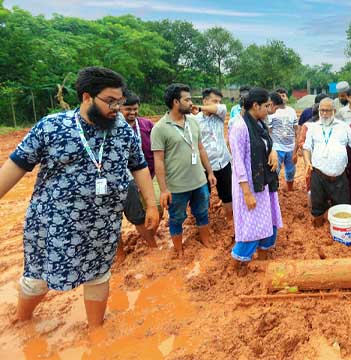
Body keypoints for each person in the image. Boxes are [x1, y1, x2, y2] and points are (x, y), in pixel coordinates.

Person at [0, 67, 159, 327]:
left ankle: (95, 330)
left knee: (99, 276)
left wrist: (150, 204)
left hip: (103, 225)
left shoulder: (122, 131)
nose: (117, 108)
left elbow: (138, 165)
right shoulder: (52, 127)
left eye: (119, 101)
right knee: (38, 278)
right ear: (87, 97)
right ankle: (22, 320)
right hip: (53, 226)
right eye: (110, 101)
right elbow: (14, 167)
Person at [151, 84, 216, 257]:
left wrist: (209, 172)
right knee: (177, 218)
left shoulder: (193, 121)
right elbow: (158, 161)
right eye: (187, 99)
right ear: (175, 102)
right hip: (177, 187)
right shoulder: (160, 128)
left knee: (202, 212)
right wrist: (164, 189)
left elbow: (201, 148)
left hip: (199, 182)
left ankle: (206, 240)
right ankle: (179, 250)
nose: (191, 103)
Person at [303, 98, 351, 227]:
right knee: (317, 206)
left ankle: (338, 231)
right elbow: (307, 147)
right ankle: (318, 233)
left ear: (334, 111)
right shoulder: (313, 128)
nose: (324, 114)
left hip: (339, 176)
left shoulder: (343, 127)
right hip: (318, 175)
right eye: (321, 110)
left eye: (327, 111)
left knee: (341, 205)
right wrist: (307, 162)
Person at [229, 88, 282, 269]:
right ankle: (235, 269)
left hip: (264, 183)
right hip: (250, 186)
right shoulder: (239, 127)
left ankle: (263, 264)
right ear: (255, 105)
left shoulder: (259, 123)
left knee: (268, 222)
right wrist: (246, 193)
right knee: (251, 228)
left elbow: (266, 142)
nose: (269, 109)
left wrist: (272, 151)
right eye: (266, 106)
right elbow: (238, 163)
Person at [120, 90, 162, 249]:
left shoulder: (146, 125)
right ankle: (149, 243)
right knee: (136, 214)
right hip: (126, 178)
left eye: (135, 109)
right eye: (128, 109)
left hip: (149, 173)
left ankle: (149, 234)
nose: (133, 112)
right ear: (119, 108)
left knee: (157, 206)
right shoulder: (114, 129)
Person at [194, 88, 234, 224]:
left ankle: (230, 220)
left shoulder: (220, 114)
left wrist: (199, 108)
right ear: (205, 100)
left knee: (227, 194)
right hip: (204, 166)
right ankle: (203, 222)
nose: (217, 104)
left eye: (218, 101)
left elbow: (220, 107)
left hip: (223, 161)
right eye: (214, 100)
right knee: (203, 196)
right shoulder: (194, 121)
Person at [268, 92, 298, 191]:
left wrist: (297, 148)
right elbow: (269, 131)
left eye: (283, 95)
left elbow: (296, 128)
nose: (282, 97)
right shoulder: (272, 112)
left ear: (287, 98)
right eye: (279, 95)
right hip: (277, 147)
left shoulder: (292, 111)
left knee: (291, 170)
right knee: (274, 170)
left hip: (290, 146)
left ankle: (290, 189)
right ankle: (273, 191)